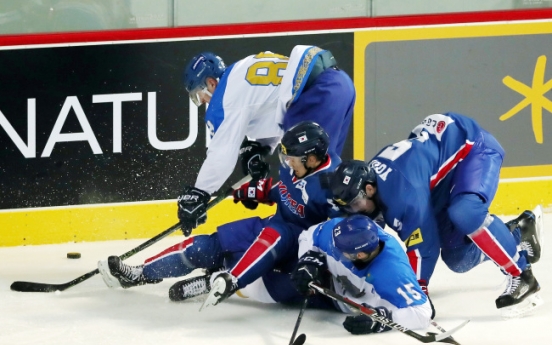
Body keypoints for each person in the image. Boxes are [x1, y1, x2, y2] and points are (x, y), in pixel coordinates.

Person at [98, 121, 342, 306]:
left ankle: (225, 279)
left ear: (311, 159)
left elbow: (339, 229)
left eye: (292, 159)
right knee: (206, 247)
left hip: (296, 242)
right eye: (285, 157)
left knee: (267, 258)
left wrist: (316, 259)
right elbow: (285, 190)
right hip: (273, 223)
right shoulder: (297, 165)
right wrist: (254, 192)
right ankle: (140, 273)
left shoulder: (332, 184)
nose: (287, 163)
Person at [328, 112, 543, 318]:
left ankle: (522, 274)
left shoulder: (402, 196)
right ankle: (518, 232)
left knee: (465, 211)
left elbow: (424, 247)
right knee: (458, 258)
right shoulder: (376, 185)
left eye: (356, 204)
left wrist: (416, 293)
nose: (356, 212)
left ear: (369, 189)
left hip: (474, 148)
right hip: (438, 175)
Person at [177, 46, 355, 234]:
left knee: (300, 168)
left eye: (199, 93)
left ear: (211, 83)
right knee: (326, 168)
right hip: (339, 85)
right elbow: (277, 106)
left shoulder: (223, 98)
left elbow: (221, 154)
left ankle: (300, 239)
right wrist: (261, 147)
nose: (203, 100)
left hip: (318, 94)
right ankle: (351, 227)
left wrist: (199, 193)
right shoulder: (242, 69)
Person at [290, 214, 433, 334]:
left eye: (341, 251)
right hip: (326, 277)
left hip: (338, 301)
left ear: (359, 254)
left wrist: (380, 320)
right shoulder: (338, 231)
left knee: (274, 289)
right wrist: (308, 259)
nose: (333, 250)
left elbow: (423, 313)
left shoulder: (393, 272)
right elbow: (307, 236)